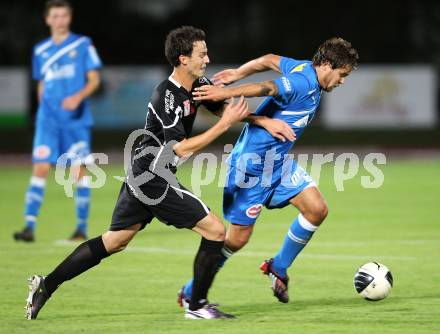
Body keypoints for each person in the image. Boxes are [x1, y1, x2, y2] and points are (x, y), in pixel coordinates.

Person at [25, 25, 256, 321]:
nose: (208, 59)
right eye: (202, 54)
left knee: (115, 240)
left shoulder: (197, 85)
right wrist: (225, 126)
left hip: (142, 173)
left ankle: (46, 284)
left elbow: (225, 108)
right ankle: (196, 306)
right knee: (215, 230)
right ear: (183, 59)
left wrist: (262, 121)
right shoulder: (168, 96)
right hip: (152, 175)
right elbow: (182, 149)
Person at [178, 37, 359, 306]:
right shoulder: (303, 82)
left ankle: (278, 268)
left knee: (316, 209)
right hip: (250, 168)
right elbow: (266, 87)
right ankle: (191, 290)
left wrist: (239, 72)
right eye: (341, 74)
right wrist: (225, 93)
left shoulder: (303, 68)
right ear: (326, 65)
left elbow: (269, 59)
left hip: (277, 163)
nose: (342, 81)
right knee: (236, 240)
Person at [13, 0, 102, 242]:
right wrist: (42, 107)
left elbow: (94, 79)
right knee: (40, 166)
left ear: (69, 18)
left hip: (75, 120)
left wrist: (77, 97)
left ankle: (81, 228)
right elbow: (42, 81)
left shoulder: (82, 45)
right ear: (47, 19)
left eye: (64, 15)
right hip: (48, 120)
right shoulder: (40, 50)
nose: (60, 20)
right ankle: (29, 227)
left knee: (77, 170)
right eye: (55, 16)